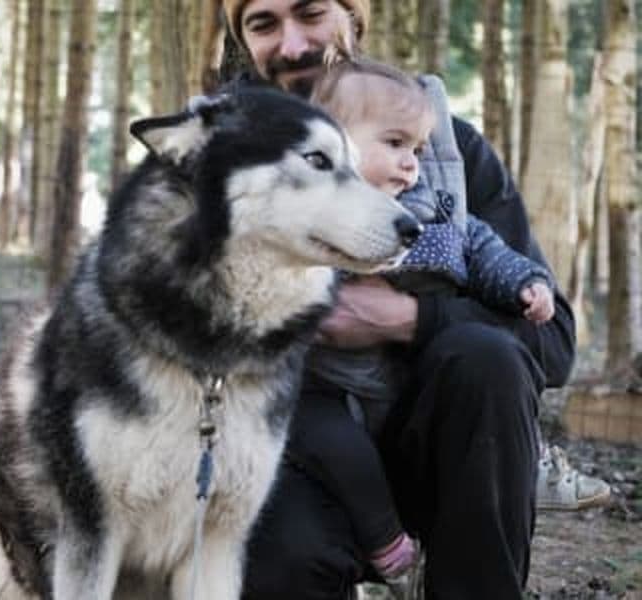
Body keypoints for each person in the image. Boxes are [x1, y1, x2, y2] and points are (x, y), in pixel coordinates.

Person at [216, 1, 606, 598]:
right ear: (242, 40)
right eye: (263, 23)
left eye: (311, 13)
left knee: (486, 357)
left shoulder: (443, 154)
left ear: (356, 18)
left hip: (441, 450)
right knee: (282, 547)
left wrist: (410, 319)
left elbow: (552, 345)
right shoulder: (213, 152)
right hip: (293, 450)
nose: (292, 45)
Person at [293, 54, 558, 595]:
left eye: (416, 150)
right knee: (327, 438)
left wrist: (526, 282)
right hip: (325, 396)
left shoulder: (432, 210)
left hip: (417, 407)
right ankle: (388, 549)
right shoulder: (306, 209)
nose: (411, 163)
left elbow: (484, 249)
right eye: (394, 144)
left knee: (487, 356)